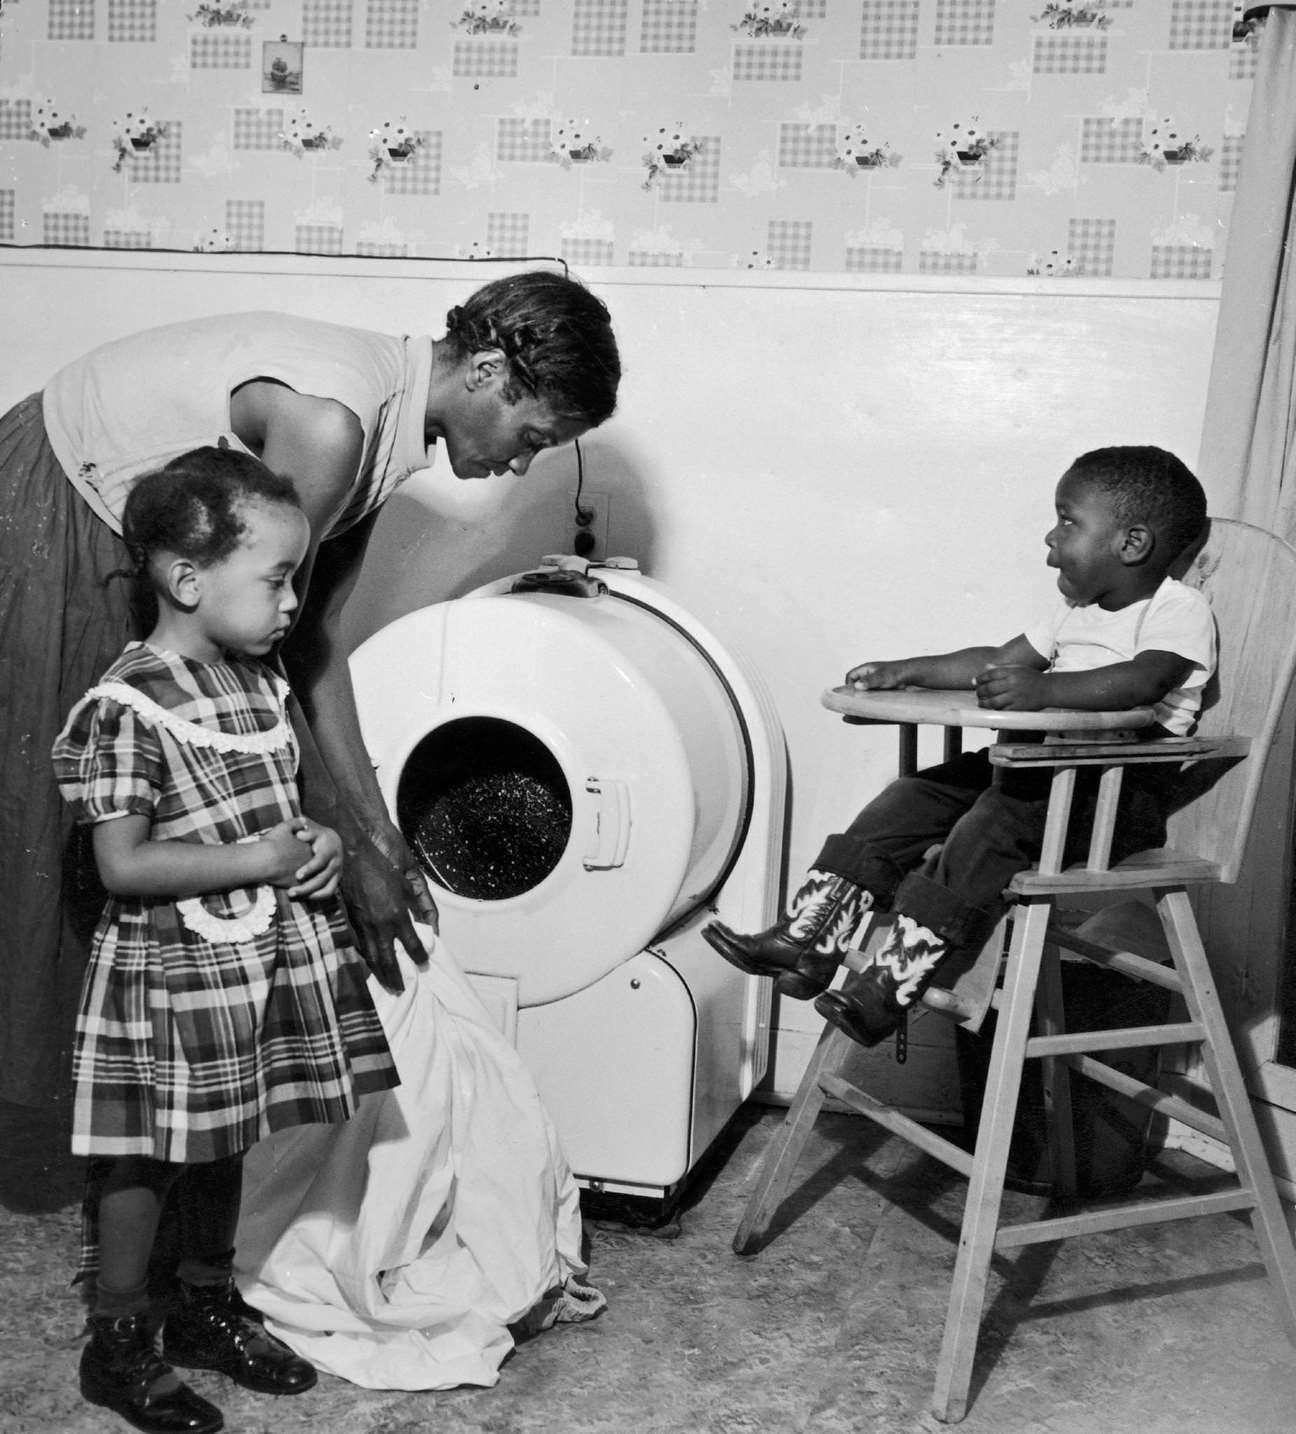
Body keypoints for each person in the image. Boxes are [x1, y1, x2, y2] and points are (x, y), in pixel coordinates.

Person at [0, 268, 621, 1110]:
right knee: (67, 821)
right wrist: (349, 848)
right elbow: (263, 665)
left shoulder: (383, 436)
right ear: (484, 374)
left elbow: (311, 639)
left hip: (145, 533)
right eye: (533, 435)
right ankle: (52, 1123)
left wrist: (382, 834)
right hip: (58, 502)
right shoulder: (334, 428)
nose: (520, 465)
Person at [51, 450, 402, 1434]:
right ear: (188, 579)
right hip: (166, 975)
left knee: (227, 1137)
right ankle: (118, 1336)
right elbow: (123, 864)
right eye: (278, 578)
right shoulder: (128, 707)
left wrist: (323, 844)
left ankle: (207, 1302)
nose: (295, 601)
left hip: (251, 966)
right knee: (144, 1157)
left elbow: (286, 816)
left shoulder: (259, 686)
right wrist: (257, 855)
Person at [702, 445, 1216, 1048]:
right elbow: (998, 663)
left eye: (1069, 521)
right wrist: (908, 670)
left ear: (1131, 544)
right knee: (916, 793)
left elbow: (1144, 681)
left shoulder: (1177, 609)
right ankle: (810, 937)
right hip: (1040, 767)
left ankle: (893, 986)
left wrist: (1042, 690)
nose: (1050, 539)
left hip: (1114, 791)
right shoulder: (1075, 611)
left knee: (991, 827)